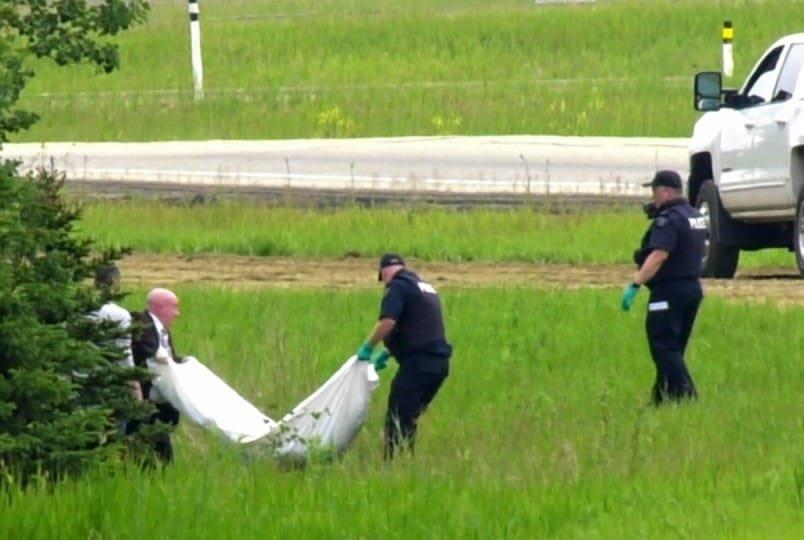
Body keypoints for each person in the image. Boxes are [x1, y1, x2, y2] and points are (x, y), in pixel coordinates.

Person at [621, 170, 707, 405]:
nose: (653, 199)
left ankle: (688, 397)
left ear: (666, 192)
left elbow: (659, 254)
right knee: (673, 349)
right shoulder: (695, 216)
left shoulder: (667, 220)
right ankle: (659, 400)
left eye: (655, 193)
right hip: (692, 290)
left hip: (668, 293)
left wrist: (635, 283)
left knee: (663, 347)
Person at [355, 254, 452, 459]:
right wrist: (389, 351)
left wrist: (368, 347)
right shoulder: (424, 286)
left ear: (383, 272)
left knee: (397, 418)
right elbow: (420, 326)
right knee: (410, 417)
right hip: (439, 366)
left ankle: (393, 466)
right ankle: (406, 461)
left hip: (418, 365)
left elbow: (388, 322)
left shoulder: (397, 287)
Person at [129, 288, 184, 463]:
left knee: (163, 453)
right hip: (142, 402)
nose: (177, 314)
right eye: (174, 308)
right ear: (161, 308)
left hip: (159, 405)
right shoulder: (141, 324)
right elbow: (150, 355)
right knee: (144, 452)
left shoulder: (162, 332)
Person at [92, 263, 143, 403]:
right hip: (108, 388)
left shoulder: (78, 310)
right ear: (115, 282)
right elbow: (124, 358)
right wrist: (135, 390)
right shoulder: (119, 315)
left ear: (96, 282)